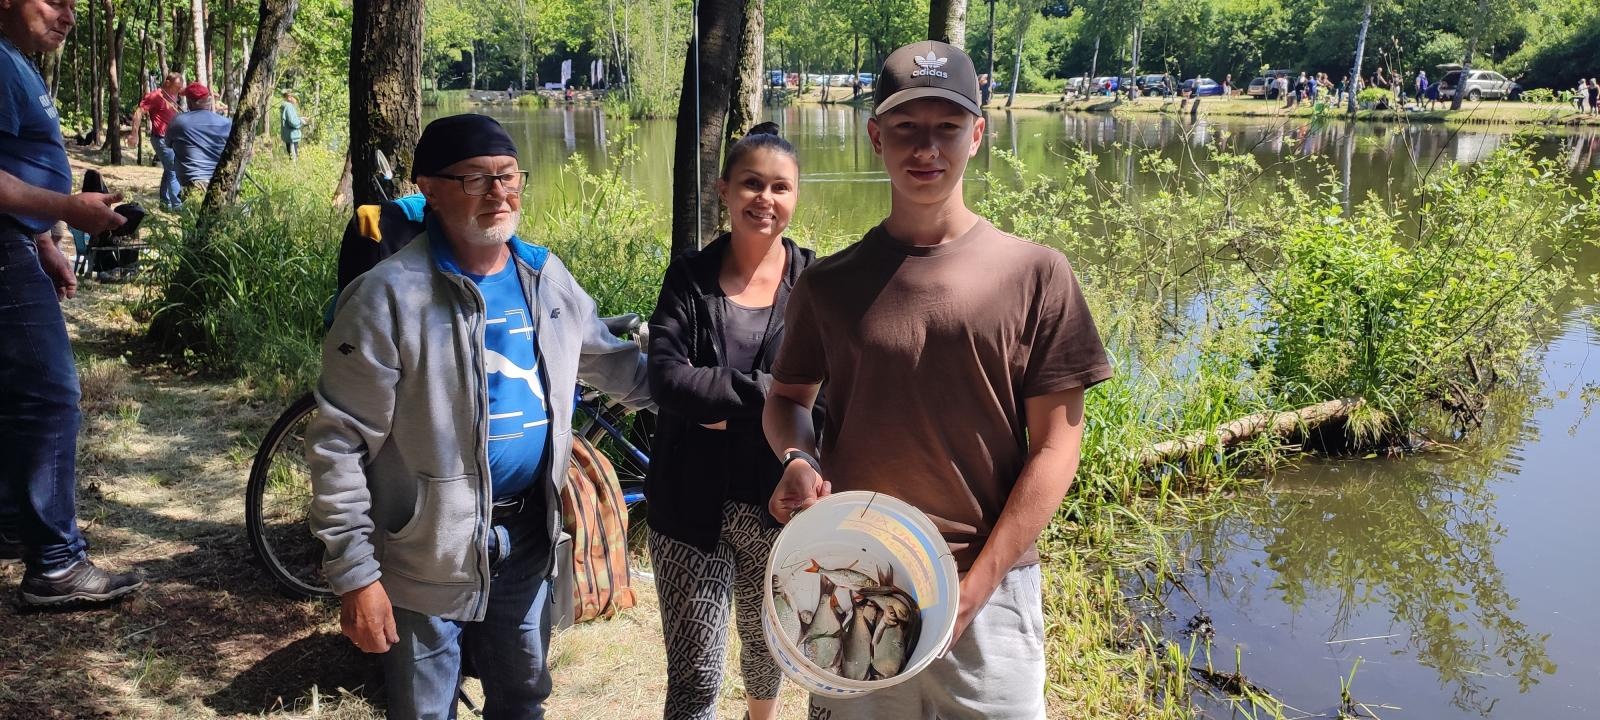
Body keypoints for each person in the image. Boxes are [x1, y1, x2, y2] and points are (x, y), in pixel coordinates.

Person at [763, 40, 1112, 720]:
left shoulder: (1035, 274)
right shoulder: (829, 284)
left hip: (992, 590)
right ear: (874, 138)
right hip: (852, 576)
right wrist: (798, 457)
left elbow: (1056, 448)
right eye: (905, 129)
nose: (927, 148)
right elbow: (786, 399)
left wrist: (975, 588)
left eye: (946, 127)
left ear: (977, 134)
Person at [306, 113, 651, 720]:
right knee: (427, 710)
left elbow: (617, 368)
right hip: (425, 551)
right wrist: (356, 576)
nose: (499, 193)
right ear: (429, 190)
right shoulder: (389, 296)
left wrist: (726, 399)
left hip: (527, 539)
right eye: (476, 179)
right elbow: (337, 444)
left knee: (522, 698)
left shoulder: (545, 278)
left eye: (509, 177)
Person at [645, 121, 821, 720]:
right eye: (750, 184)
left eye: (780, 187)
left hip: (780, 502)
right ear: (724, 190)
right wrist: (776, 398)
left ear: (796, 196)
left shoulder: (817, 285)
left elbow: (831, 399)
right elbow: (667, 380)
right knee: (695, 677)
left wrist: (719, 407)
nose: (764, 200)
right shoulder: (688, 278)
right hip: (688, 504)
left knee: (767, 642)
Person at [2, 0, 146, 607]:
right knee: (51, 393)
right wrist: (66, 212)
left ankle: (14, 522)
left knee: (18, 393)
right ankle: (57, 565)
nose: (68, 16)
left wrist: (45, 241)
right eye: (55, 1)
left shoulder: (18, 61)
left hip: (17, 241)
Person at [131, 71, 185, 209]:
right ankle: (177, 206)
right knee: (174, 170)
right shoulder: (155, 96)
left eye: (180, 88)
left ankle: (164, 202)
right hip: (161, 139)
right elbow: (138, 112)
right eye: (177, 87)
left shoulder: (172, 95)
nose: (179, 90)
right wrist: (134, 134)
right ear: (167, 83)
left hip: (171, 139)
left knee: (169, 169)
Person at [165, 83, 231, 193]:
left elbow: (168, 143)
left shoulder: (178, 122)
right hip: (221, 182)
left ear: (190, 102)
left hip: (192, 184)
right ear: (208, 101)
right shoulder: (226, 123)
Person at [279, 90, 304, 160]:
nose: (297, 101)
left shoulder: (286, 106)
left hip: (289, 136)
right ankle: (294, 170)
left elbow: (291, 119)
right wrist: (301, 121)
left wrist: (300, 118)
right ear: (289, 97)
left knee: (292, 156)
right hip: (292, 138)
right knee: (293, 159)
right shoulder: (288, 106)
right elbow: (292, 122)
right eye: (296, 98)